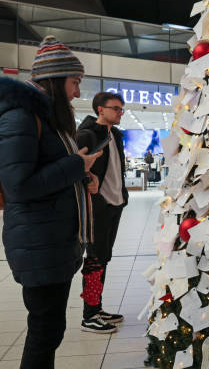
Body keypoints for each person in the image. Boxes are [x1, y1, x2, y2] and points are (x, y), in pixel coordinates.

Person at [0, 35, 102, 369]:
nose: (77, 91)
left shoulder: (50, 118)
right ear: (56, 81)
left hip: (52, 240)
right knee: (45, 331)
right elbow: (18, 185)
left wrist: (84, 177)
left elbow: (49, 173)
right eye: (75, 82)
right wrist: (77, 165)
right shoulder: (22, 116)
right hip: (38, 242)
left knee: (49, 329)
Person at [76, 92, 129, 333]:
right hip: (98, 207)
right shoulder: (87, 134)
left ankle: (96, 307)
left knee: (103, 257)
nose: (120, 112)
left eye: (121, 109)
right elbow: (76, 167)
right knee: (95, 260)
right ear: (100, 109)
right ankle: (89, 315)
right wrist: (88, 179)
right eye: (116, 108)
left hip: (115, 205)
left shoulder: (115, 135)